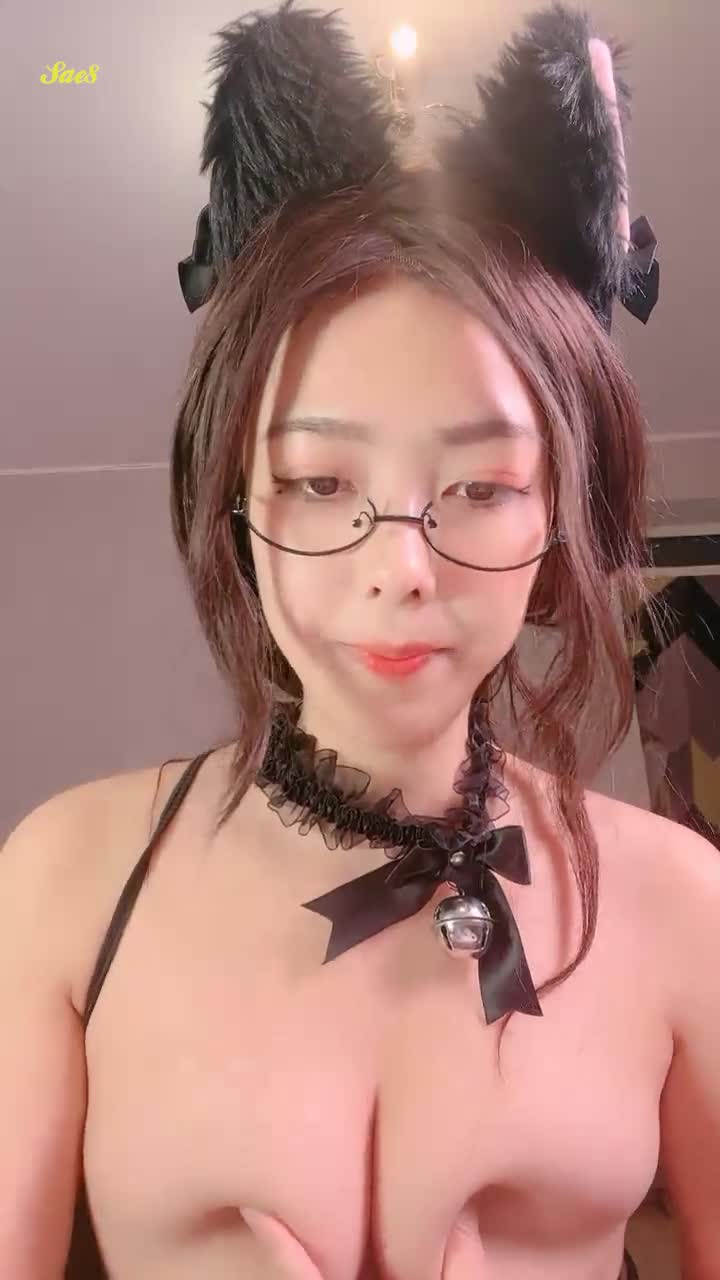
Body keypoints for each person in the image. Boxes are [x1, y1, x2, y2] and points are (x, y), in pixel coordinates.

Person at [1, 3, 717, 1278]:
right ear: (235, 499)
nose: (402, 568)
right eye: (321, 483)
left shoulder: (685, 901)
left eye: (482, 487)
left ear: (561, 512)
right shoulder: (63, 879)